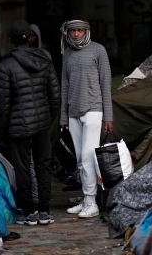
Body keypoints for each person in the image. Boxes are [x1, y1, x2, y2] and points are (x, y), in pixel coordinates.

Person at [0, 20, 60, 226]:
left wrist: (2, 132)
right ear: (30, 38)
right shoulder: (45, 60)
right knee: (43, 165)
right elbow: (55, 96)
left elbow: (2, 105)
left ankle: (29, 212)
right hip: (42, 123)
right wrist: (47, 119)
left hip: (17, 126)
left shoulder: (5, 66)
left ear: (11, 42)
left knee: (22, 168)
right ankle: (45, 210)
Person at [60, 15, 113, 218]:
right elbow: (64, 86)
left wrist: (108, 116)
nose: (76, 34)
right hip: (73, 112)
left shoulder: (99, 50)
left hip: (94, 109)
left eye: (80, 30)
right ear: (68, 32)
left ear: (86, 31)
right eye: (73, 31)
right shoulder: (67, 54)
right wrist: (63, 117)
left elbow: (105, 84)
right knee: (80, 160)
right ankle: (86, 199)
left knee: (88, 157)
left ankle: (92, 203)